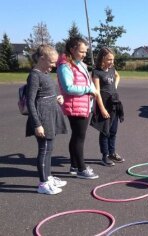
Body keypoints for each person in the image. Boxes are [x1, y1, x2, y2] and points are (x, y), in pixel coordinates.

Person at [26, 45, 68, 194]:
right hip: (42, 118)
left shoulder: (44, 73)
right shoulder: (34, 75)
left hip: (50, 115)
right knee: (44, 150)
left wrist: (57, 98)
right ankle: (43, 184)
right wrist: (37, 124)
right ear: (42, 59)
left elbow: (44, 94)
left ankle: (48, 177)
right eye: (51, 62)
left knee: (49, 149)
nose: (53, 66)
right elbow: (30, 101)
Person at [57, 36, 99, 179]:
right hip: (75, 106)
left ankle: (74, 166)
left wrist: (93, 91)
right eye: (82, 51)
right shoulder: (65, 66)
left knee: (76, 137)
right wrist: (88, 89)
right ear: (72, 49)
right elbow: (68, 87)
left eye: (85, 52)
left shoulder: (80, 64)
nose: (84, 54)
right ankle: (82, 169)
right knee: (79, 138)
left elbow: (88, 81)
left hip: (85, 105)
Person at [90, 47, 125, 166]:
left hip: (114, 103)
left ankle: (112, 153)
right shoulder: (96, 72)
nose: (112, 62)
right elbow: (97, 92)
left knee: (113, 131)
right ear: (102, 58)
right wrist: (102, 109)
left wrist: (114, 87)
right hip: (104, 104)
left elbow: (118, 76)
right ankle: (104, 156)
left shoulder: (112, 69)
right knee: (105, 131)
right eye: (109, 59)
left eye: (113, 59)